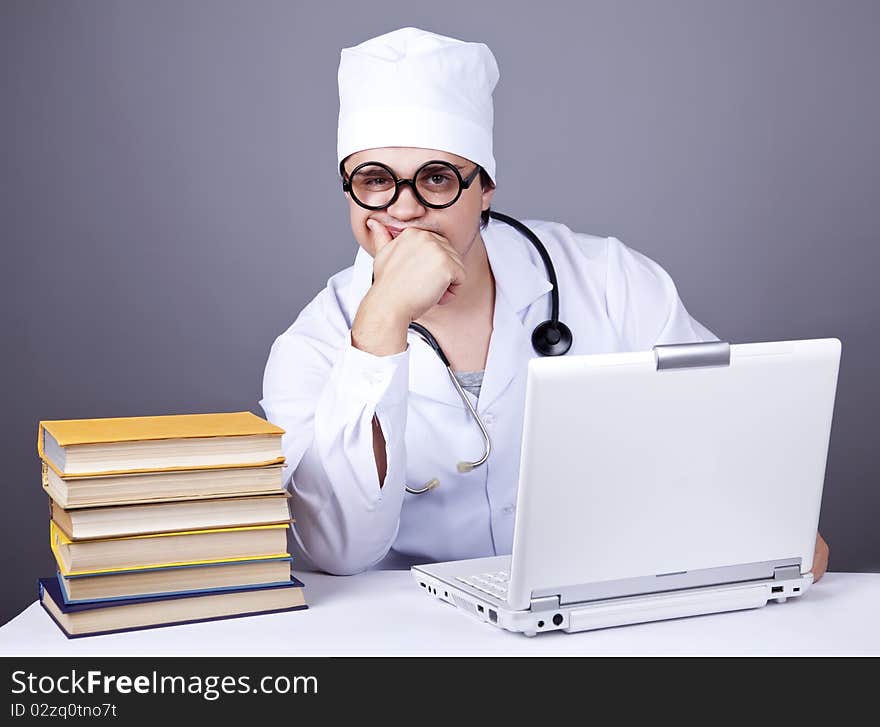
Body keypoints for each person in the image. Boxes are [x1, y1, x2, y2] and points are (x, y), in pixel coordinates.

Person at [260, 27, 829, 582]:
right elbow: (338, 552)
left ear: (484, 188)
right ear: (347, 190)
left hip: (602, 605)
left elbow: (728, 429)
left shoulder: (609, 280)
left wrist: (775, 518)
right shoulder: (312, 346)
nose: (404, 210)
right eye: (375, 180)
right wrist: (381, 322)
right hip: (409, 632)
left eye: (436, 179)